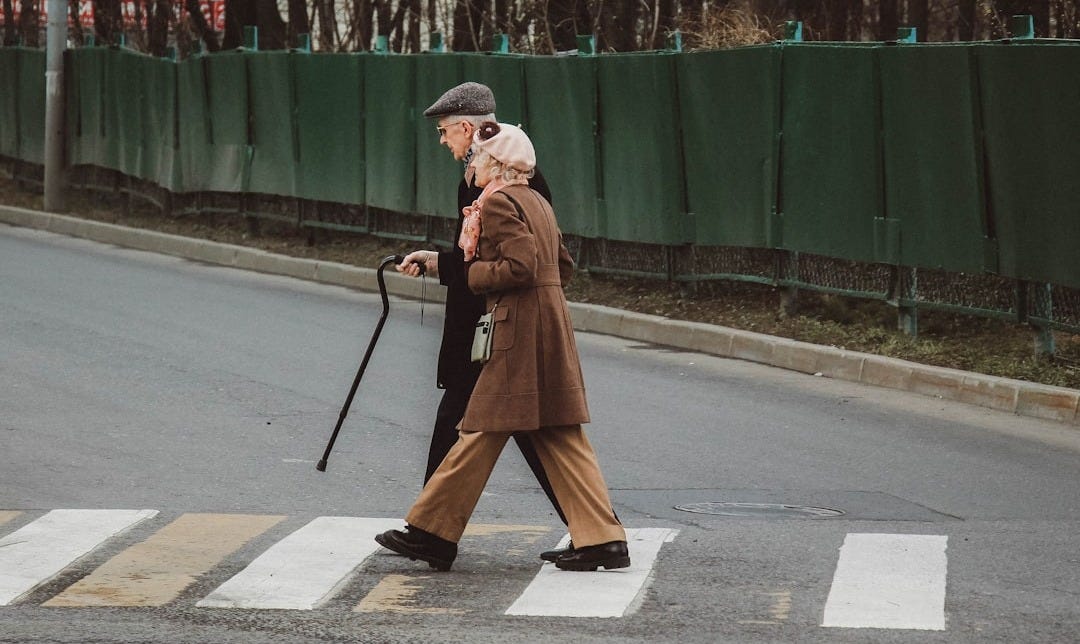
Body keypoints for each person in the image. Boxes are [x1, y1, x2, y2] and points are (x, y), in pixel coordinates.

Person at [376, 122, 629, 573]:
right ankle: (604, 540)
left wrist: (475, 278)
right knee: (559, 433)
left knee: (479, 430)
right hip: (550, 325)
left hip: (517, 332)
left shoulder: (496, 203)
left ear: (495, 162)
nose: (469, 163)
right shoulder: (535, 201)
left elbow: (521, 265)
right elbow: (562, 265)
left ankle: (432, 532)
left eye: (476, 156)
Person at [395, 82, 572, 562]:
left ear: (468, 129)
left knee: (492, 428)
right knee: (495, 428)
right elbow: (474, 256)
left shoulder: (500, 185)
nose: (443, 140)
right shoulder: (488, 179)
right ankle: (431, 533)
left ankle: (431, 533)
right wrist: (439, 260)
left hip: (498, 329)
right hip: (490, 326)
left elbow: (513, 264)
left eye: (446, 131)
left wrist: (442, 264)